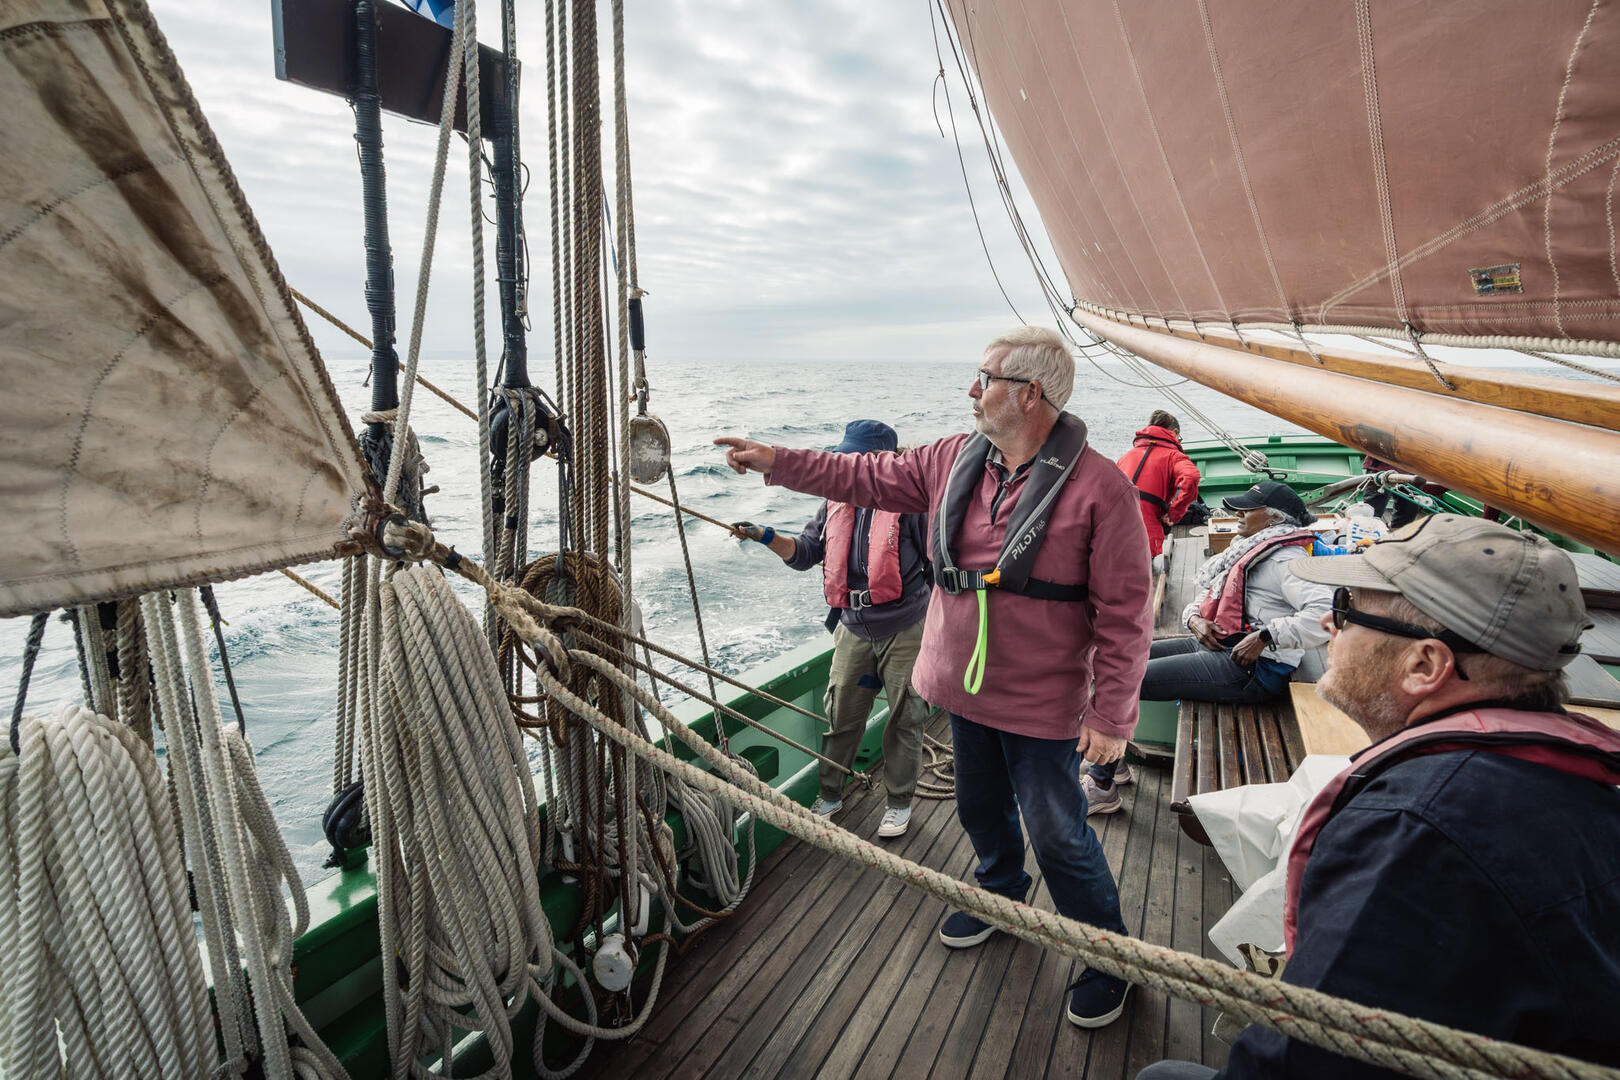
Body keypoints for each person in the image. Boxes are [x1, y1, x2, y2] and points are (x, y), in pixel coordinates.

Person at [716, 326, 1152, 1030]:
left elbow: (1127, 612)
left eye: (984, 378)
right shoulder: (954, 459)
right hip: (959, 687)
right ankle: (999, 895)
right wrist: (776, 460)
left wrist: (1112, 716)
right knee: (979, 810)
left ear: (1029, 394)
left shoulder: (1101, 489)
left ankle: (1110, 958)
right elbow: (864, 477)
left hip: (1043, 702)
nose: (972, 391)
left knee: (1060, 832)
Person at [1138, 515, 1620, 1079]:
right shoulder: (1567, 778)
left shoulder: (1413, 838)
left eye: (1345, 610)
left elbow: (1307, 1061)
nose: (1326, 623)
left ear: (1425, 665)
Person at [730, 419, 931, 839]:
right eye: (842, 457)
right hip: (854, 627)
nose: (844, 466)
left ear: (881, 461)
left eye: (853, 458)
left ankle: (898, 802)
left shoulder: (913, 505)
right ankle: (830, 793)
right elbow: (805, 554)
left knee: (905, 717)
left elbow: (936, 567)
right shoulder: (833, 502)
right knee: (841, 715)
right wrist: (766, 535)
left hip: (905, 627)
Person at [1082, 480, 1333, 815]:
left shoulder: (1285, 560)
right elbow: (1209, 595)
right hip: (1221, 645)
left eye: (1248, 508)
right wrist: (1195, 620)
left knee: (1127, 681)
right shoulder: (1249, 547)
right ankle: (1113, 762)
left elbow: (1325, 614)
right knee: (1119, 663)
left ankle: (1101, 786)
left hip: (1253, 669)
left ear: (1274, 519)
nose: (1238, 513)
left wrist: (1266, 637)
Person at [1115, 410, 1201, 562]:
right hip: (1145, 531)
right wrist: (1174, 513)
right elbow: (1192, 477)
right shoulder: (1174, 456)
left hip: (1112, 528)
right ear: (1174, 433)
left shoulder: (1125, 457)